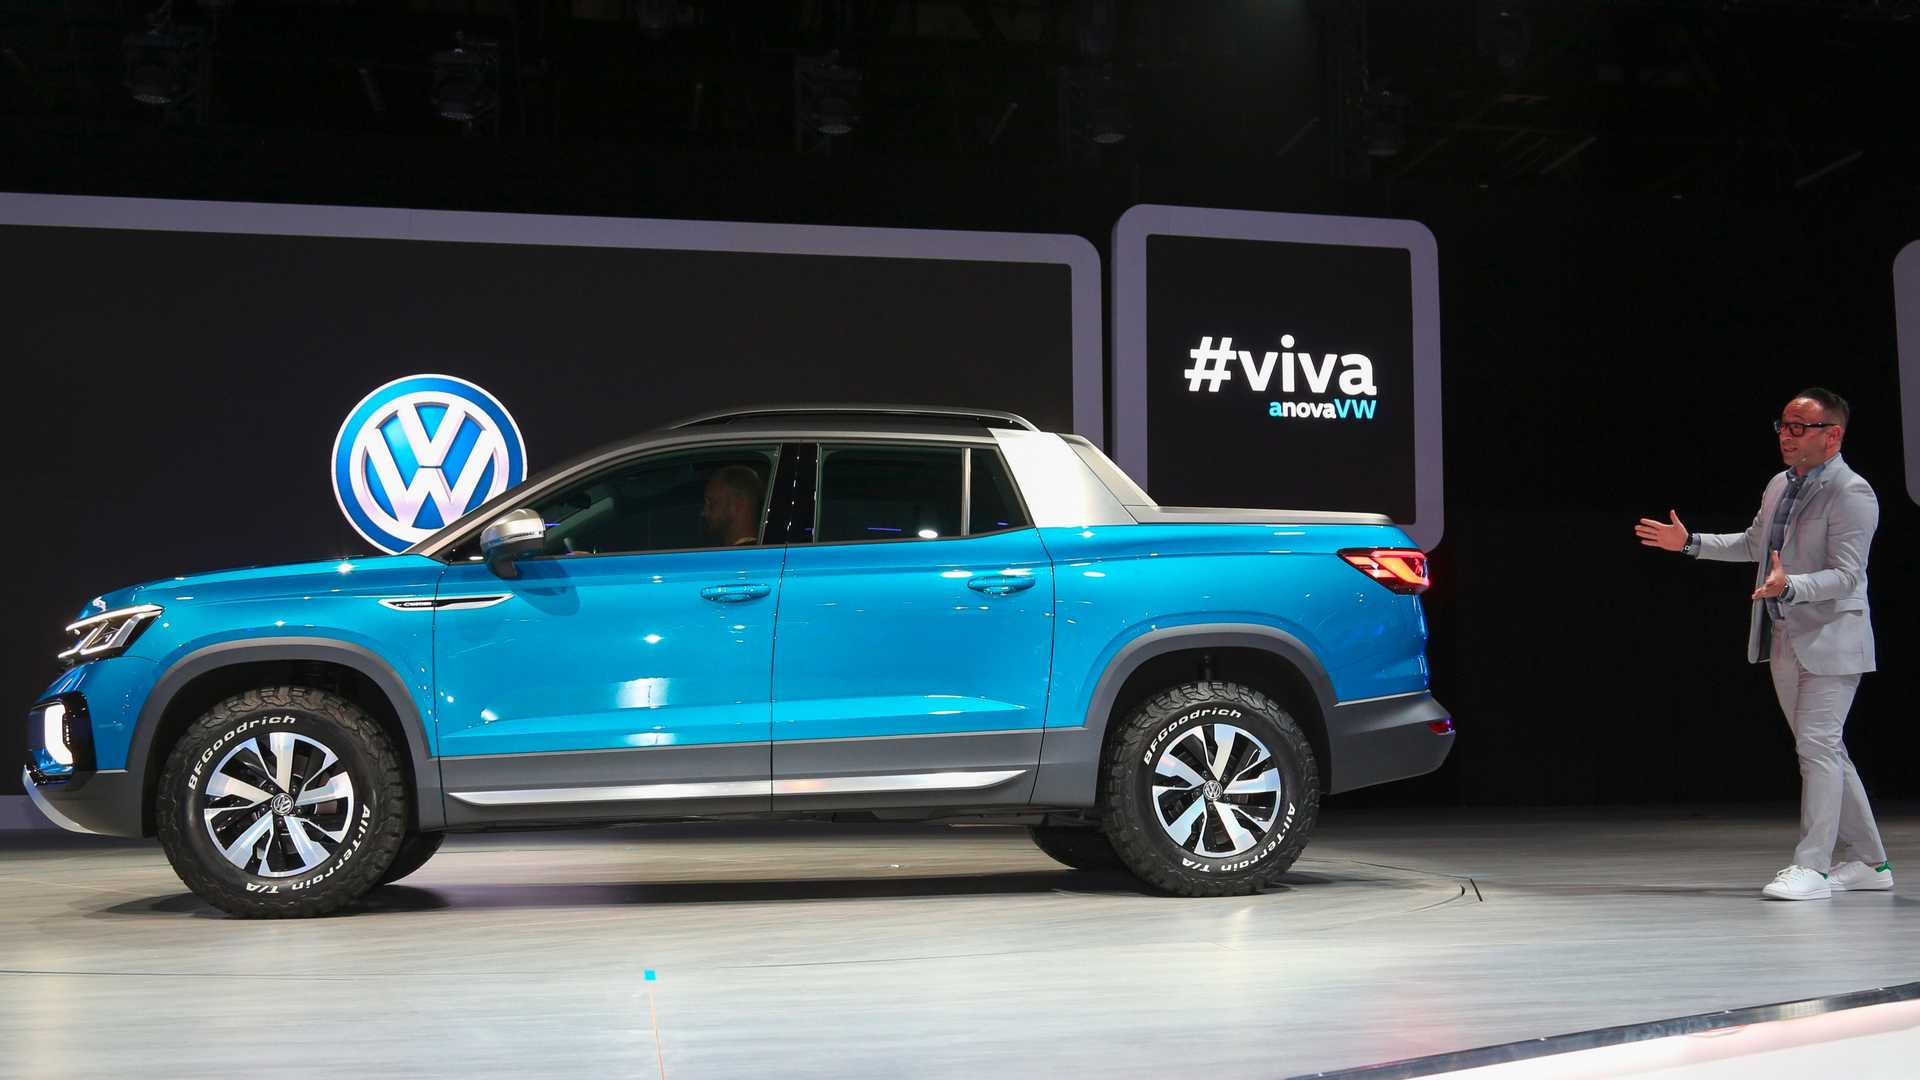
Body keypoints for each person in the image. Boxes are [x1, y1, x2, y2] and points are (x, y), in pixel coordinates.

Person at [1634, 388, 1889, 901]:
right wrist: (1690, 543)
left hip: (1832, 638)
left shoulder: (1852, 492)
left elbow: (1847, 575)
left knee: (1818, 749)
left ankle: (1813, 868)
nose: (1786, 436)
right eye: (1783, 426)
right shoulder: (1779, 484)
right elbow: (1754, 545)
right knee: (1824, 749)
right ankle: (1871, 862)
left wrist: (1791, 585)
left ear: (1832, 435)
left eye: (1799, 427)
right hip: (1784, 634)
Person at [701, 464, 764, 546]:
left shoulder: (745, 553)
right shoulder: (761, 549)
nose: (704, 512)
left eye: (710, 502)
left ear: (737, 503)